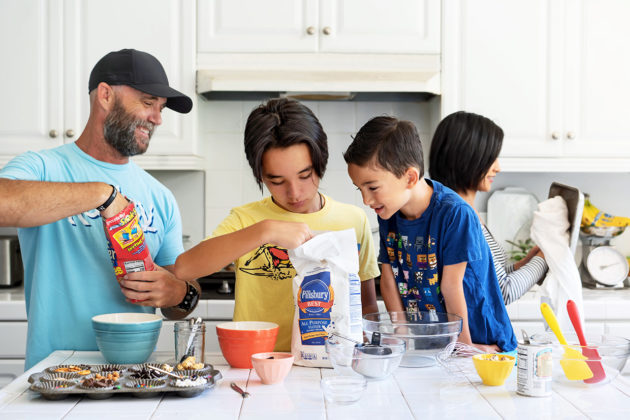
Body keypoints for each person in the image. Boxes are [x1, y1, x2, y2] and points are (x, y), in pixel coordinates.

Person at [0, 49, 201, 369]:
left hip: (135, 377)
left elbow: (182, 292)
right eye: (148, 103)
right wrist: (101, 194)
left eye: (161, 108)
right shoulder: (42, 166)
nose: (158, 119)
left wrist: (177, 293)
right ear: (106, 95)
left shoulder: (160, 196)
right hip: (53, 376)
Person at [175, 98, 379, 351]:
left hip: (330, 364)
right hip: (257, 365)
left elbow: (367, 307)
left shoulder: (352, 220)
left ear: (321, 161)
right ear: (260, 174)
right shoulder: (246, 220)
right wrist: (265, 231)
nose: (295, 193)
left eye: (305, 175)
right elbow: (184, 269)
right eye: (277, 181)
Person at [344, 116, 517, 353]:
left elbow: (451, 286)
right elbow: (389, 277)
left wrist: (464, 348)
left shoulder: (454, 213)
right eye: (360, 188)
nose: (366, 200)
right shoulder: (389, 211)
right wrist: (401, 336)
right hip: (438, 342)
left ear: (410, 177)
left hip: (480, 340)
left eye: (372, 187)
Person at [428, 111, 548, 305]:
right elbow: (504, 291)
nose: (498, 167)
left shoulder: (455, 211)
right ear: (467, 158)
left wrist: (524, 264)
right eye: (491, 158)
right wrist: (545, 257)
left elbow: (488, 279)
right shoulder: (461, 217)